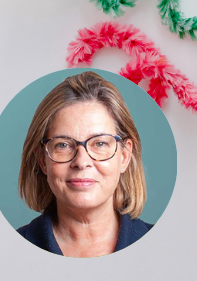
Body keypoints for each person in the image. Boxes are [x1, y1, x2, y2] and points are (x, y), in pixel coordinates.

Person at [16, 71, 153, 257]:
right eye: (63, 145)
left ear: (124, 156)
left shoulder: (168, 248)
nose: (81, 162)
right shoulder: (7, 253)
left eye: (100, 143)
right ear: (42, 159)